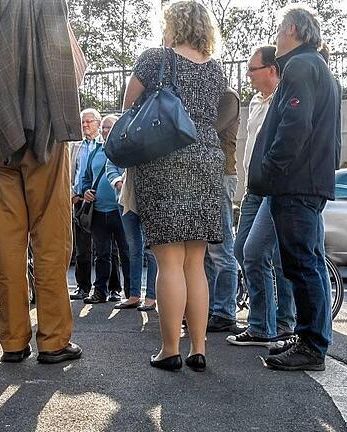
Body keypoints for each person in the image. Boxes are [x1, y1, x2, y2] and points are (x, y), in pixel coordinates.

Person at [0, 0, 83, 364]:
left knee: (8, 240)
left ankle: (13, 341)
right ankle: (53, 341)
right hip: (42, 134)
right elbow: (73, 70)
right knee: (50, 238)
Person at [123, 0, 226, 372]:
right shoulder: (216, 71)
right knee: (195, 262)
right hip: (206, 160)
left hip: (164, 160)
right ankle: (199, 347)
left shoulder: (154, 58)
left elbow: (128, 105)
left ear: (173, 24)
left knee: (168, 259)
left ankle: (170, 350)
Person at [247, 5, 341, 371]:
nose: (275, 37)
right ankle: (311, 339)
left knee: (301, 264)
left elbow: (294, 126)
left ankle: (312, 346)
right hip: (310, 181)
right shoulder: (321, 70)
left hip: (296, 183)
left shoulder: (300, 67)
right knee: (309, 262)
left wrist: (270, 170)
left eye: (278, 30)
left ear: (293, 31)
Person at [227, 45, 296, 347]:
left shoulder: (283, 101)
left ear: (271, 70)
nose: (248, 75)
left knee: (269, 256)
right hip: (253, 190)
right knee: (243, 249)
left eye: (253, 69)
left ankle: (272, 324)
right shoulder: (256, 101)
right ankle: (270, 322)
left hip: (274, 188)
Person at [103, 115, 158, 312]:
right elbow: (111, 163)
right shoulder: (122, 136)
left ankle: (151, 296)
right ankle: (134, 295)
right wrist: (118, 182)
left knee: (152, 250)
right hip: (126, 198)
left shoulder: (153, 132)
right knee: (133, 247)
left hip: (149, 197)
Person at [70, 109, 123, 303]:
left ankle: (115, 289)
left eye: (89, 121)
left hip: (109, 205)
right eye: (82, 122)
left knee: (112, 250)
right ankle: (84, 287)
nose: (85, 125)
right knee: (83, 248)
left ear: (98, 123)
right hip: (83, 203)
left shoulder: (107, 146)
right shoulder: (76, 147)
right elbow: (74, 173)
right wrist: (77, 193)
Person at [79, 122, 131, 307]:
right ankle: (100, 291)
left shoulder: (125, 149)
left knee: (126, 252)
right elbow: (85, 178)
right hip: (99, 211)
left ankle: (130, 294)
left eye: (111, 127)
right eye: (104, 128)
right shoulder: (96, 151)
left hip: (121, 210)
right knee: (101, 254)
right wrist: (85, 190)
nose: (107, 130)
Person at [205, 87, 241, 333]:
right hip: (207, 176)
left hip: (220, 175)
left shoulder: (227, 97)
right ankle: (208, 308)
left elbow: (207, 130)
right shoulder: (214, 96)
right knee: (206, 251)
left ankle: (225, 311)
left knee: (220, 248)